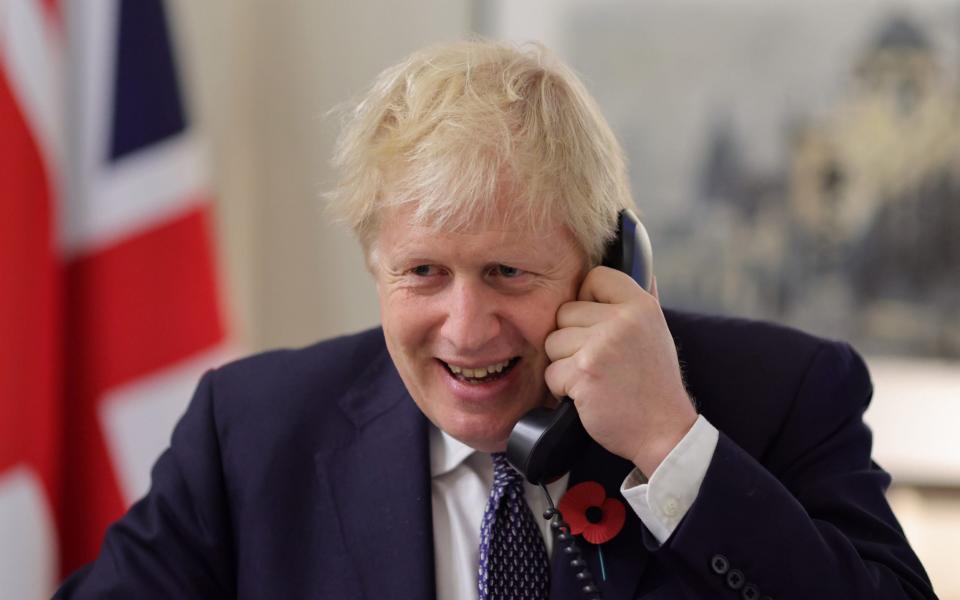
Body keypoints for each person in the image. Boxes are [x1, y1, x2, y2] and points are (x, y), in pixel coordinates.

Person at [56, 40, 936, 600]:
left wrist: (672, 447)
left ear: (607, 269)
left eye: (508, 272)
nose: (466, 329)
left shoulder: (781, 396)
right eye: (423, 273)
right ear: (375, 264)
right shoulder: (251, 431)